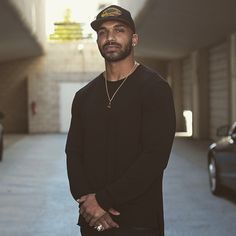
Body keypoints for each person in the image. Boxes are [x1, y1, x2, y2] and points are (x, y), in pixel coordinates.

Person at [66, 4, 176, 236]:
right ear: (97, 41)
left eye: (119, 30)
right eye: (103, 32)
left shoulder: (155, 89)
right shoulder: (84, 96)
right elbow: (74, 153)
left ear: (134, 39)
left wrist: (103, 200)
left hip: (139, 222)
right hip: (93, 222)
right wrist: (89, 205)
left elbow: (154, 158)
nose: (110, 37)